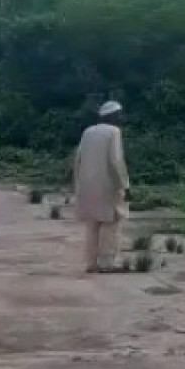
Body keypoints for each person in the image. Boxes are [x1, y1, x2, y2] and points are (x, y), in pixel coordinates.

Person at [74, 101, 130, 273]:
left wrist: (78, 184)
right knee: (111, 223)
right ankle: (107, 263)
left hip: (86, 185)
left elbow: (78, 159)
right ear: (111, 116)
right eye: (119, 114)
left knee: (92, 224)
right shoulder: (114, 132)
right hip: (107, 185)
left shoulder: (88, 131)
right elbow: (115, 160)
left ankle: (91, 263)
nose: (121, 118)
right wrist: (124, 184)